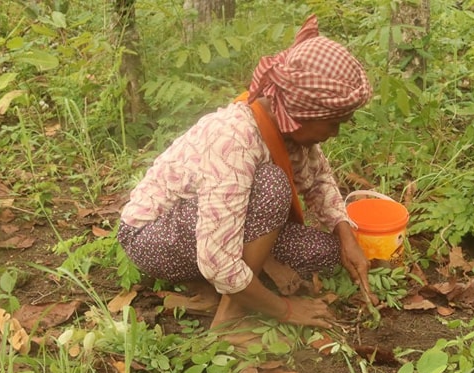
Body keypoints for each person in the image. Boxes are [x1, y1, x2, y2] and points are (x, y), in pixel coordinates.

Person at [117, 15, 374, 330]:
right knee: (271, 186)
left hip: (219, 226)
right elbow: (217, 260)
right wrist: (287, 310)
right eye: (334, 122)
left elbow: (320, 180)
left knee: (323, 253)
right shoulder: (234, 139)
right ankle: (228, 321)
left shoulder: (287, 125)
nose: (335, 132)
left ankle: (211, 293)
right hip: (155, 236)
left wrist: (346, 236)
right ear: (304, 112)